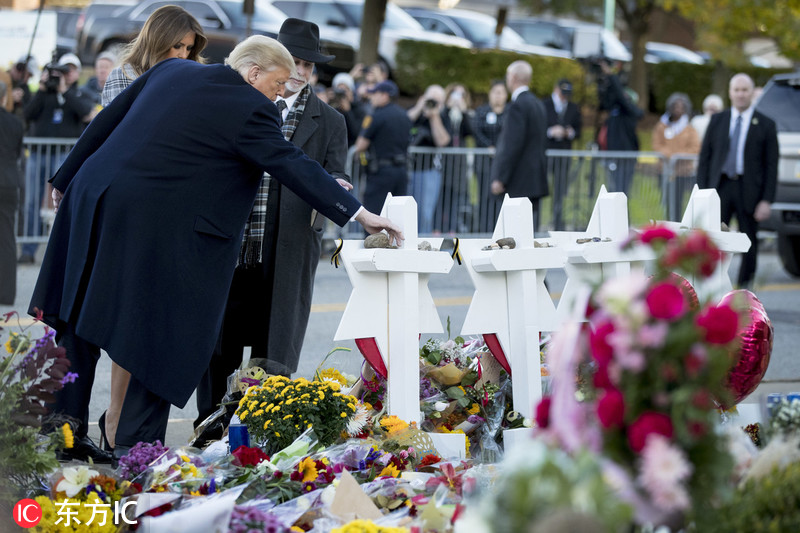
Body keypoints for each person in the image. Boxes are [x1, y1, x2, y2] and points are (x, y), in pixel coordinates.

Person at [30, 35, 402, 459]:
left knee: (77, 317)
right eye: (279, 84)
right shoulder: (252, 108)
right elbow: (291, 163)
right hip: (152, 226)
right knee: (160, 333)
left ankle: (62, 433)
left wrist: (64, 177)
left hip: (92, 199)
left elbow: (107, 120)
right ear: (253, 72)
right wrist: (359, 213)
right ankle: (137, 450)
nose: (281, 94)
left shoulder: (172, 70)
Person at [195, 18, 351, 430]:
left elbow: (337, 176)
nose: (300, 72)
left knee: (271, 349)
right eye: (293, 61)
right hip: (232, 244)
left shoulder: (330, 120)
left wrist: (338, 185)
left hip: (285, 251)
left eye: (308, 65)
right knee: (218, 345)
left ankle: (252, 429)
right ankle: (209, 427)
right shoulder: (244, 102)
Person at [92, 4, 209, 454]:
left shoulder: (194, 76)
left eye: (187, 47)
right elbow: (113, 134)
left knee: (149, 319)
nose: (181, 54)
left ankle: (126, 423)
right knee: (123, 318)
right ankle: (115, 418)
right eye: (175, 45)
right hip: (129, 204)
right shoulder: (125, 75)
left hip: (173, 207)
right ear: (155, 41)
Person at [697, 73, 778, 289]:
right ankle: (710, 288)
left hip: (749, 190)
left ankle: (743, 292)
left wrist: (766, 200)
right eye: (737, 90)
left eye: (745, 90)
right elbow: (705, 159)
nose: (741, 94)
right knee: (712, 240)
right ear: (730, 93)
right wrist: (702, 194)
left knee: (748, 242)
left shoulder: (767, 125)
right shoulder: (717, 120)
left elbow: (771, 166)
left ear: (752, 92)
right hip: (720, 187)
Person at [20, 53, 94, 265]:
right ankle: (28, 250)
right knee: (32, 201)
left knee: (63, 200)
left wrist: (64, 91)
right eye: (62, 70)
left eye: (69, 70)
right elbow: (27, 114)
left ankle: (62, 251)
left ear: (76, 73)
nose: (65, 74)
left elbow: (87, 113)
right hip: (38, 153)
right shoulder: (45, 94)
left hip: (64, 154)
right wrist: (43, 88)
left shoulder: (79, 93)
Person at [102, 5, 207, 106]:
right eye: (177, 46)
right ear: (158, 42)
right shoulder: (124, 76)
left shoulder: (191, 78)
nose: (184, 55)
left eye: (189, 48)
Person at [490, 60, 548, 231]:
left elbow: (512, 145)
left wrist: (501, 177)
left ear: (513, 77)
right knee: (529, 232)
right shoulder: (538, 104)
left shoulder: (518, 106)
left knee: (514, 233)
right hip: (534, 178)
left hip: (518, 181)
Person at [354, 80, 412, 216]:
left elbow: (360, 145)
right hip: (401, 171)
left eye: (375, 93)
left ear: (385, 95)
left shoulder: (376, 116)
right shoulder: (404, 115)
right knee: (398, 215)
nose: (371, 97)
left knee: (374, 213)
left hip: (381, 172)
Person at [407, 84, 450, 234]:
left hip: (429, 171)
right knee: (406, 210)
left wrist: (434, 116)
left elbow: (442, 141)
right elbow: (402, 124)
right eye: (431, 100)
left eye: (437, 101)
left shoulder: (443, 116)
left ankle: (422, 242)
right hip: (407, 169)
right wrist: (420, 107)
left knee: (424, 211)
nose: (432, 104)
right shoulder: (415, 111)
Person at [652, 92, 700, 218]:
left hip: (682, 172)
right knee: (666, 201)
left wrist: (679, 157)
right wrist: (670, 156)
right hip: (665, 170)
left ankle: (678, 227)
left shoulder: (689, 128)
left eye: (681, 107)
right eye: (675, 106)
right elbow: (657, 144)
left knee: (678, 203)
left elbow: (695, 147)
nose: (678, 109)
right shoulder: (661, 126)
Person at [598, 60, 643, 195]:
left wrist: (611, 75)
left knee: (622, 191)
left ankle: (622, 216)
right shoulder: (614, 112)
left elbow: (620, 96)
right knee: (613, 190)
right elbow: (606, 100)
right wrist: (605, 80)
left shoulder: (631, 112)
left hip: (626, 156)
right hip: (612, 154)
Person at [544, 78, 582, 230]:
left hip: (564, 153)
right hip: (547, 152)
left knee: (560, 189)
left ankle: (558, 222)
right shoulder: (545, 105)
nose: (564, 97)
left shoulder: (573, 108)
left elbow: (578, 130)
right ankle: (536, 219)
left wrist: (568, 132)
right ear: (556, 89)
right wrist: (550, 131)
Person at [438, 83, 474, 233]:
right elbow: (442, 128)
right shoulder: (442, 112)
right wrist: (447, 108)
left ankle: (452, 230)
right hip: (444, 161)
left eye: (461, 94)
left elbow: (470, 131)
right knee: (441, 197)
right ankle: (437, 229)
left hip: (458, 162)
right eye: (455, 94)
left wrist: (464, 112)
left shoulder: (466, 114)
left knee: (455, 197)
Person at [0, 81, 24, 305]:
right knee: (7, 238)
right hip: (8, 182)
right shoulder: (15, 123)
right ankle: (6, 294)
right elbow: (17, 153)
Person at [472, 80, 507, 232]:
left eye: (501, 92)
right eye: (495, 92)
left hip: (504, 164)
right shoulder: (482, 111)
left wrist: (500, 149)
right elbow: (476, 131)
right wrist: (489, 146)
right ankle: (484, 231)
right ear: (490, 94)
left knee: (502, 199)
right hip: (484, 163)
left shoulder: (510, 112)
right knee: (484, 198)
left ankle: (502, 231)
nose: (498, 96)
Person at [328, 72, 366, 147]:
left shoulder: (359, 109)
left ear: (351, 92)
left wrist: (348, 112)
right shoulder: (331, 108)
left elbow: (357, 134)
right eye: (339, 90)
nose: (343, 94)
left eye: (346, 90)